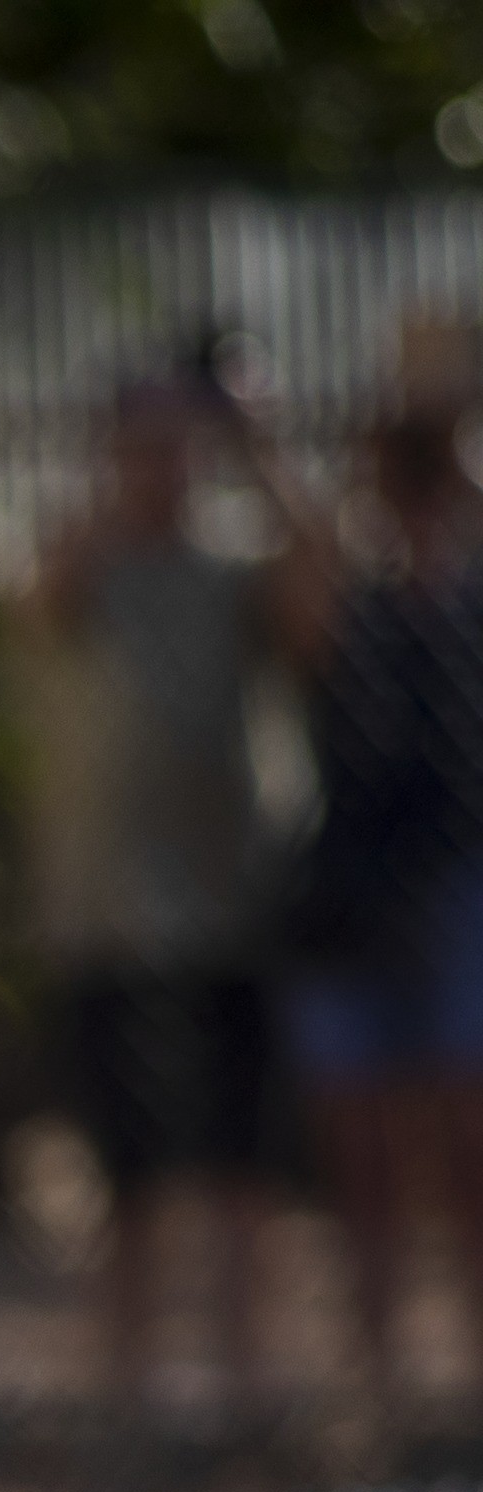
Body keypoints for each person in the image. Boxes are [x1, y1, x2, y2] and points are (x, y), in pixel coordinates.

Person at [18, 359, 309, 1420]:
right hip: (107, 915)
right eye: (145, 445)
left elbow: (323, 593)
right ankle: (124, 1396)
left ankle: (245, 1389)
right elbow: (43, 594)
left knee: (243, 1165)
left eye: (181, 445)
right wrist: (120, 476)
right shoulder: (84, 561)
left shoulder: (234, 570)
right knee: (129, 1175)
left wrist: (258, 449)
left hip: (234, 908)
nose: (166, 466)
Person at [279, 376, 483, 1413]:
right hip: (351, 896)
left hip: (462, 888)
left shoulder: (471, 600)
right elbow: (304, 578)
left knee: (466, 1142)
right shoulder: (343, 597)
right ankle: (379, 1387)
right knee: (363, 1162)